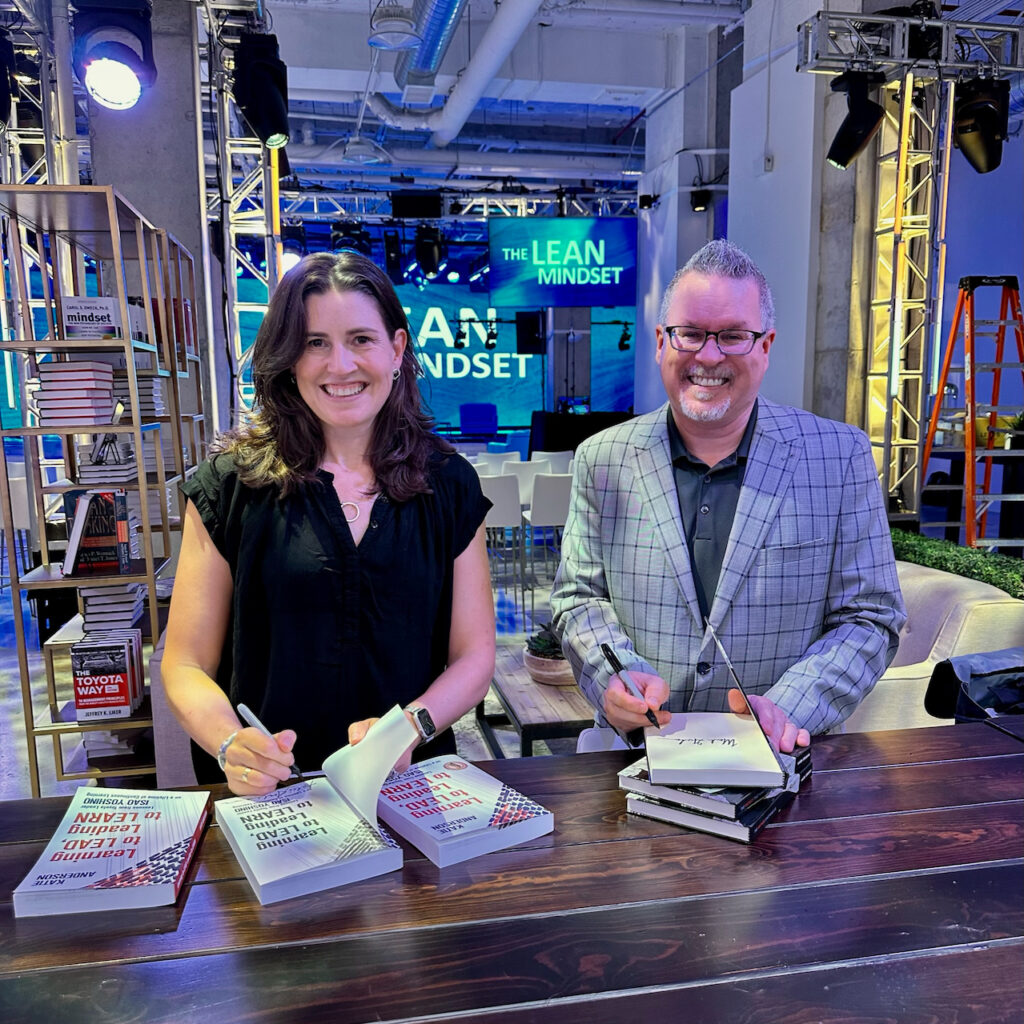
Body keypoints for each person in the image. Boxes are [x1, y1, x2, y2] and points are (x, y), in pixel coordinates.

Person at [551, 239, 906, 752]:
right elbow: (580, 599)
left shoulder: (839, 455)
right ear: (660, 342)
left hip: (786, 763)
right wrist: (619, 677)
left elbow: (870, 615)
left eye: (734, 336)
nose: (709, 355)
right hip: (637, 755)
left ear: (765, 346)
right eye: (690, 334)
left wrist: (788, 708)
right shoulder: (602, 458)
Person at [163, 251, 496, 795]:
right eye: (315, 342)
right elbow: (185, 662)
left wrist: (408, 729)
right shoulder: (230, 485)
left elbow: (475, 656)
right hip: (271, 795)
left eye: (360, 339)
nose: (339, 365)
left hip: (410, 788)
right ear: (289, 359)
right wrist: (228, 741)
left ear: (396, 349)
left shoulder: (449, 483)